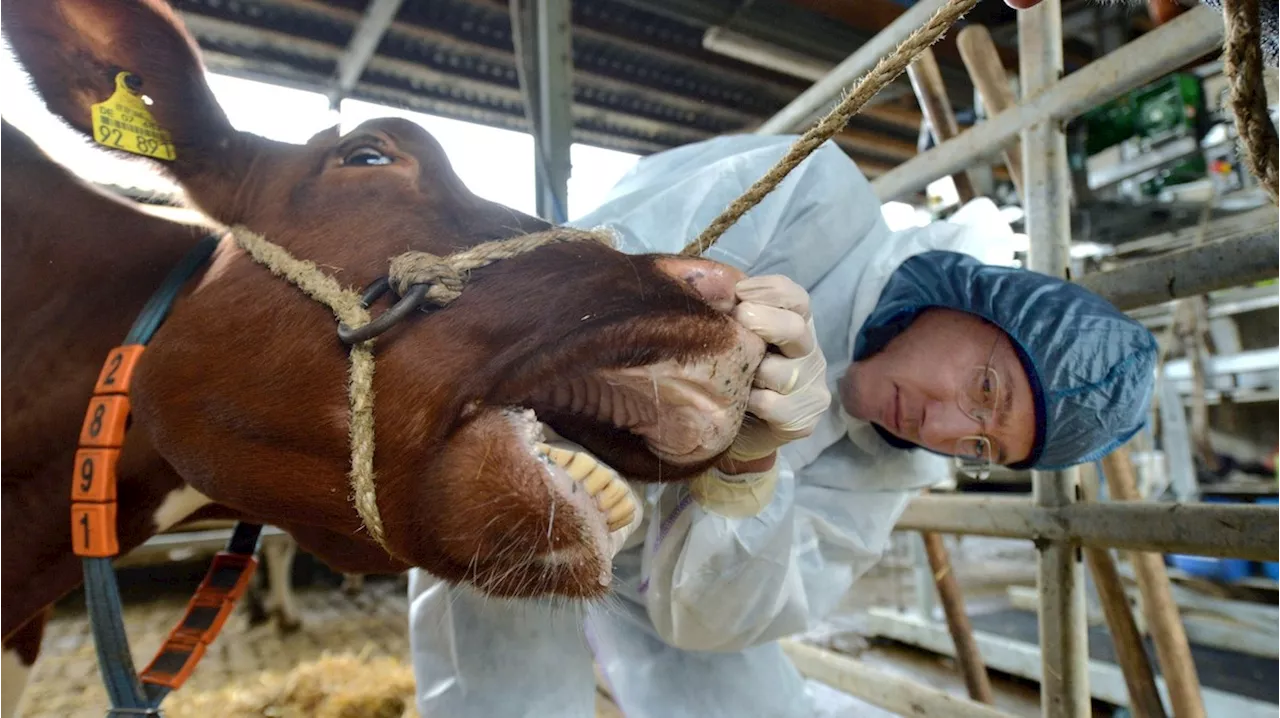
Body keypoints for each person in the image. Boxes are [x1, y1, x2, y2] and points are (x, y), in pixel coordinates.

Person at [405, 133, 1158, 717]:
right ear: (970, 299)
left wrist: (750, 470)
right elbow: (584, 275)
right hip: (534, 442)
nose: (943, 425)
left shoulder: (881, 479)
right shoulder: (813, 200)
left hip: (659, 582)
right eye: (983, 387)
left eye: (981, 445)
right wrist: (714, 325)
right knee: (508, 678)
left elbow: (716, 620)